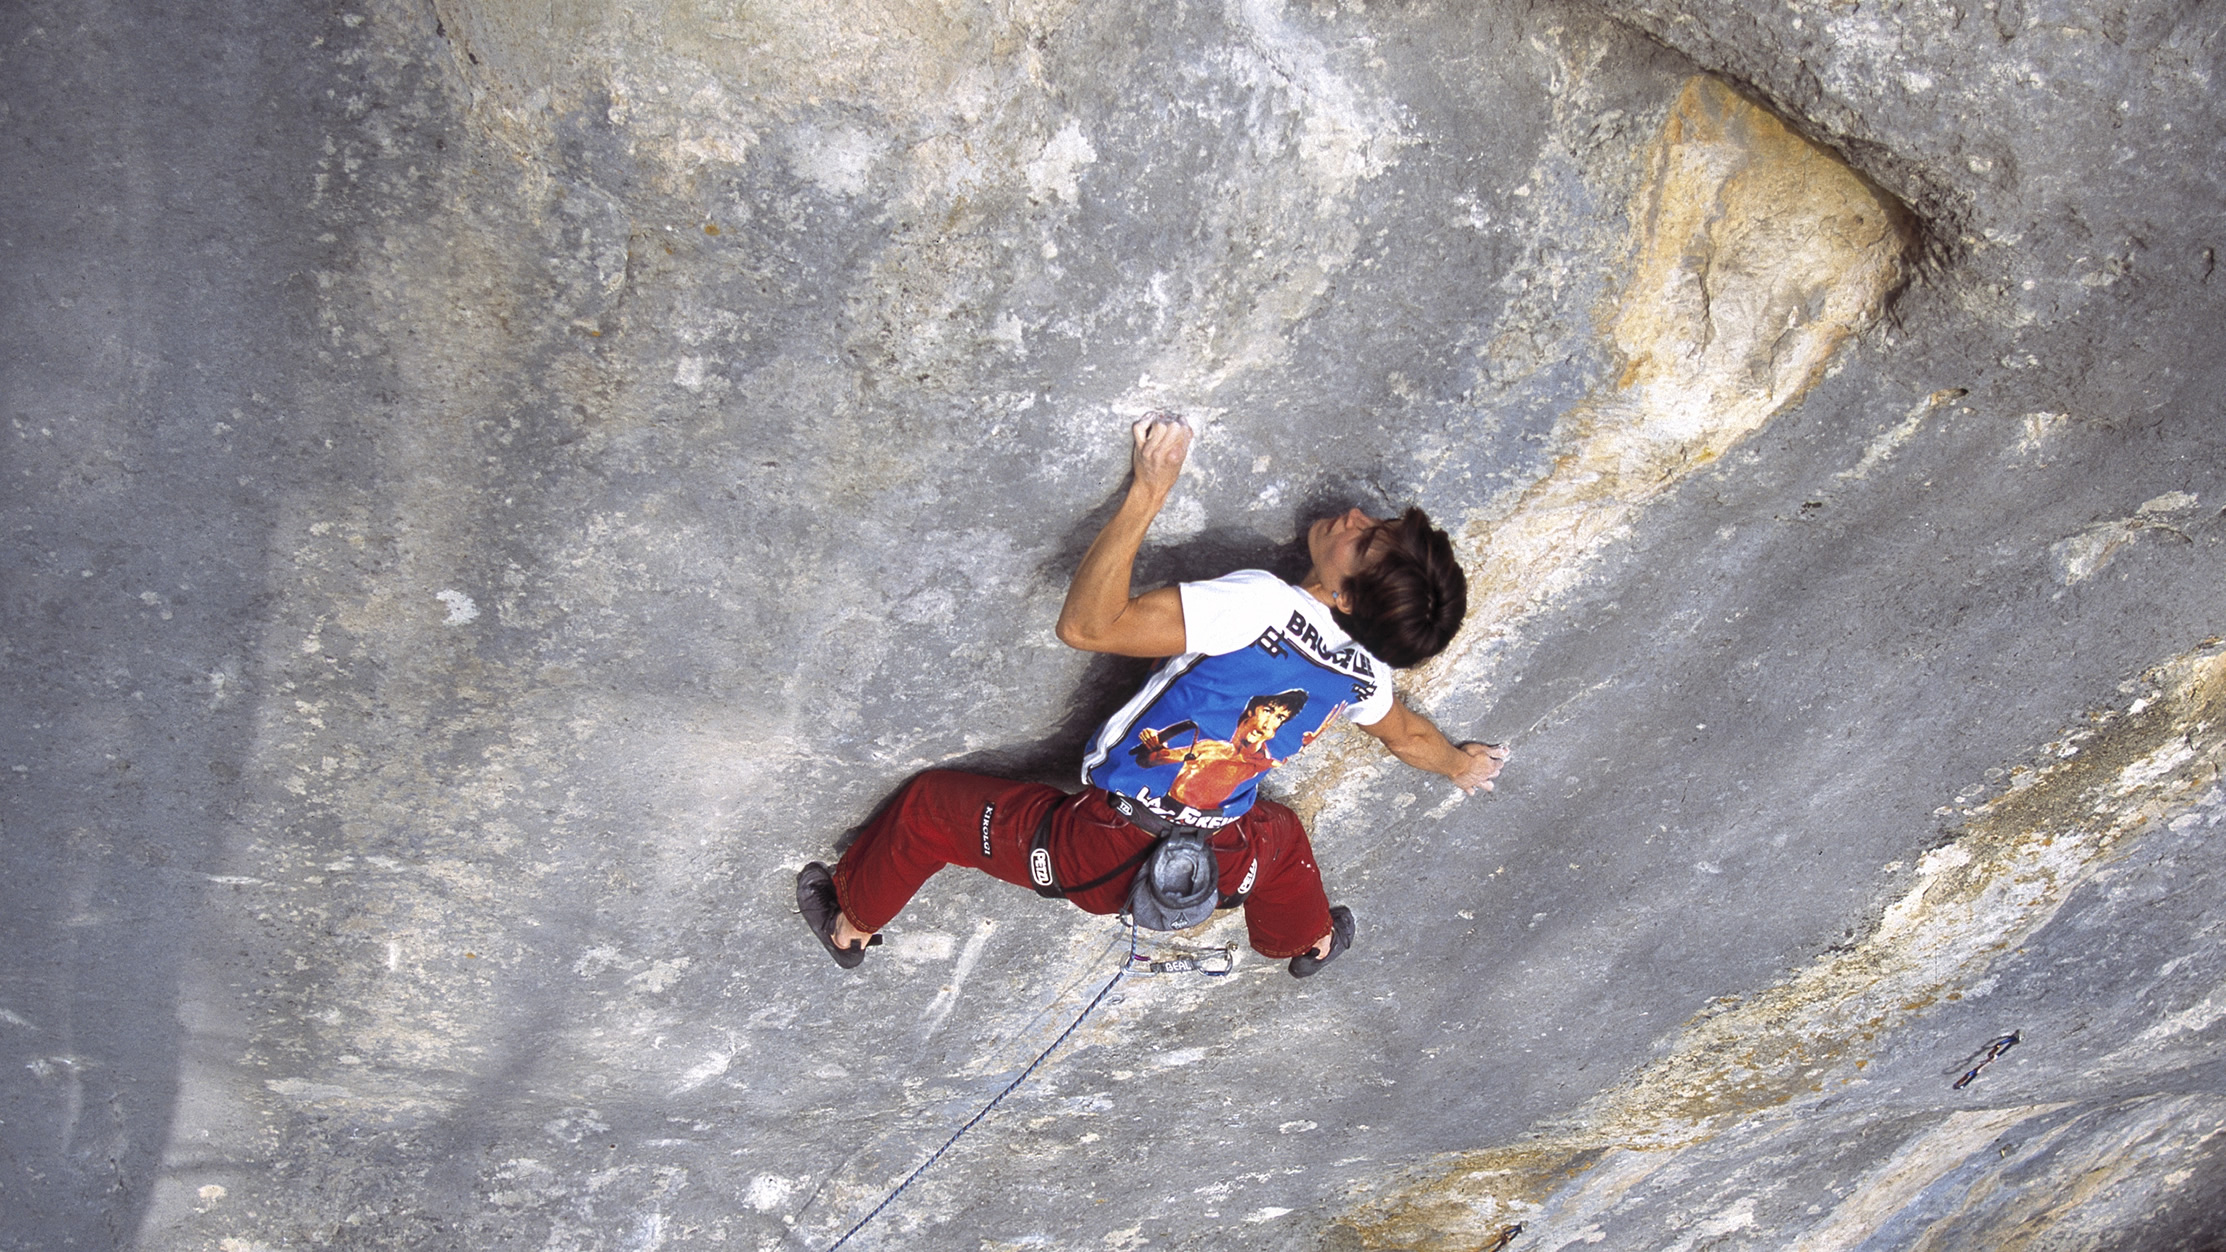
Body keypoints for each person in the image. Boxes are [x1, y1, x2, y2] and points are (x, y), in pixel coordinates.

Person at [797, 413, 1509, 975]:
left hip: (1091, 848)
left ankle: (851, 924)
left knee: (929, 812)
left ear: (1349, 597)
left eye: (1365, 541)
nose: (1355, 516)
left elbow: (1087, 625)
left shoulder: (1261, 606)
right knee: (1281, 840)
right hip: (1225, 853)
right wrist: (1461, 767)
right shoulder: (1367, 674)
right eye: (1376, 526)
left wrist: (1149, 490)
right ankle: (1310, 944)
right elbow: (1408, 736)